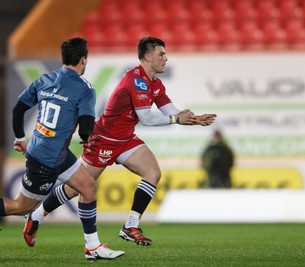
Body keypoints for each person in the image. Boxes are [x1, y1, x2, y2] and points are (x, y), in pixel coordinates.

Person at [24, 36, 217, 247]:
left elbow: (171, 112)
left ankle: (130, 226)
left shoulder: (155, 83)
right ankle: (37, 215)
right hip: (104, 139)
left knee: (153, 173)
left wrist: (195, 119)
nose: (165, 58)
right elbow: (147, 119)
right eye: (161, 54)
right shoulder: (135, 80)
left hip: (125, 139)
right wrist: (176, 119)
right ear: (147, 56)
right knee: (76, 188)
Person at [0, 37, 124, 261]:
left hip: (50, 151)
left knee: (87, 187)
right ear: (83, 60)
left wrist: (19, 138)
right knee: (19, 206)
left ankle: (92, 247)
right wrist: (87, 139)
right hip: (47, 160)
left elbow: (18, 110)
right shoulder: (84, 88)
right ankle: (32, 217)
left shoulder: (45, 79)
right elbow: (86, 127)